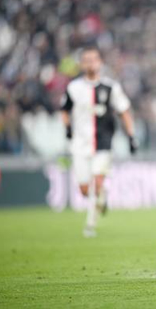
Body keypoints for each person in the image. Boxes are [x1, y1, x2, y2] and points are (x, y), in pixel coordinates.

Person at [60, 46, 137, 237]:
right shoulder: (74, 88)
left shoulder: (111, 87)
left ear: (100, 62)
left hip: (103, 143)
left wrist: (131, 135)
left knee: (96, 181)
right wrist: (68, 128)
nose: (90, 63)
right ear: (81, 64)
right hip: (80, 144)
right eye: (86, 60)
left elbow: (124, 110)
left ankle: (90, 225)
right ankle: (101, 198)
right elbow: (64, 109)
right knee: (86, 189)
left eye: (94, 59)